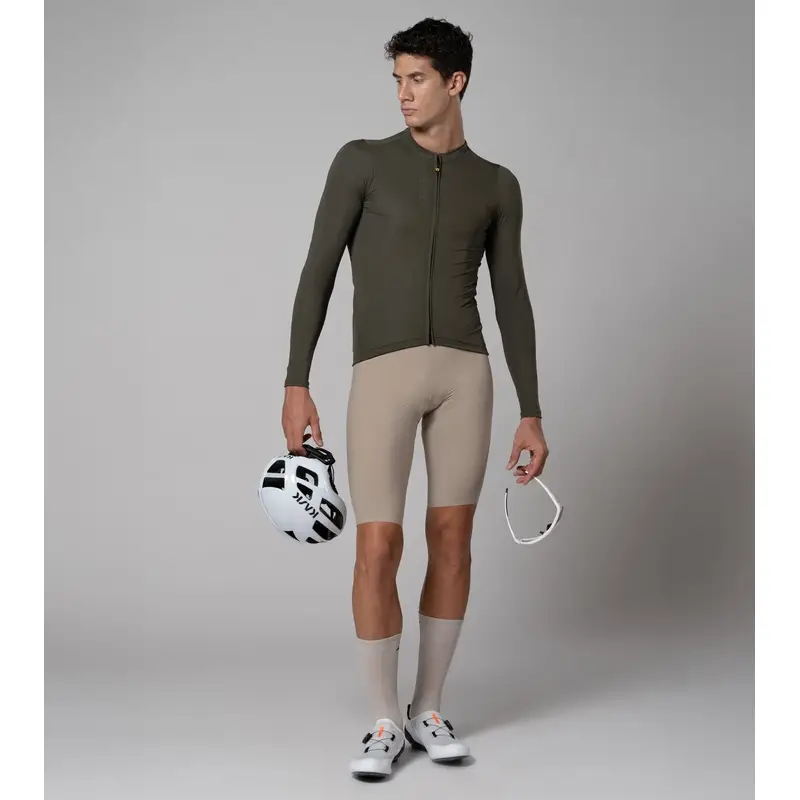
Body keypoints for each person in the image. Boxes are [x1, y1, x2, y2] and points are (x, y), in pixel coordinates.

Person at [281, 17, 549, 780]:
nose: (403, 93)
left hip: (466, 375)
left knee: (453, 540)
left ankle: (428, 706)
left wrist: (531, 409)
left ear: (455, 82)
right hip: (383, 374)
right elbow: (317, 272)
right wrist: (297, 381)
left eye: (418, 79)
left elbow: (513, 297)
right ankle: (382, 720)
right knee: (378, 546)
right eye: (397, 79)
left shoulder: (495, 184)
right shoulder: (361, 162)